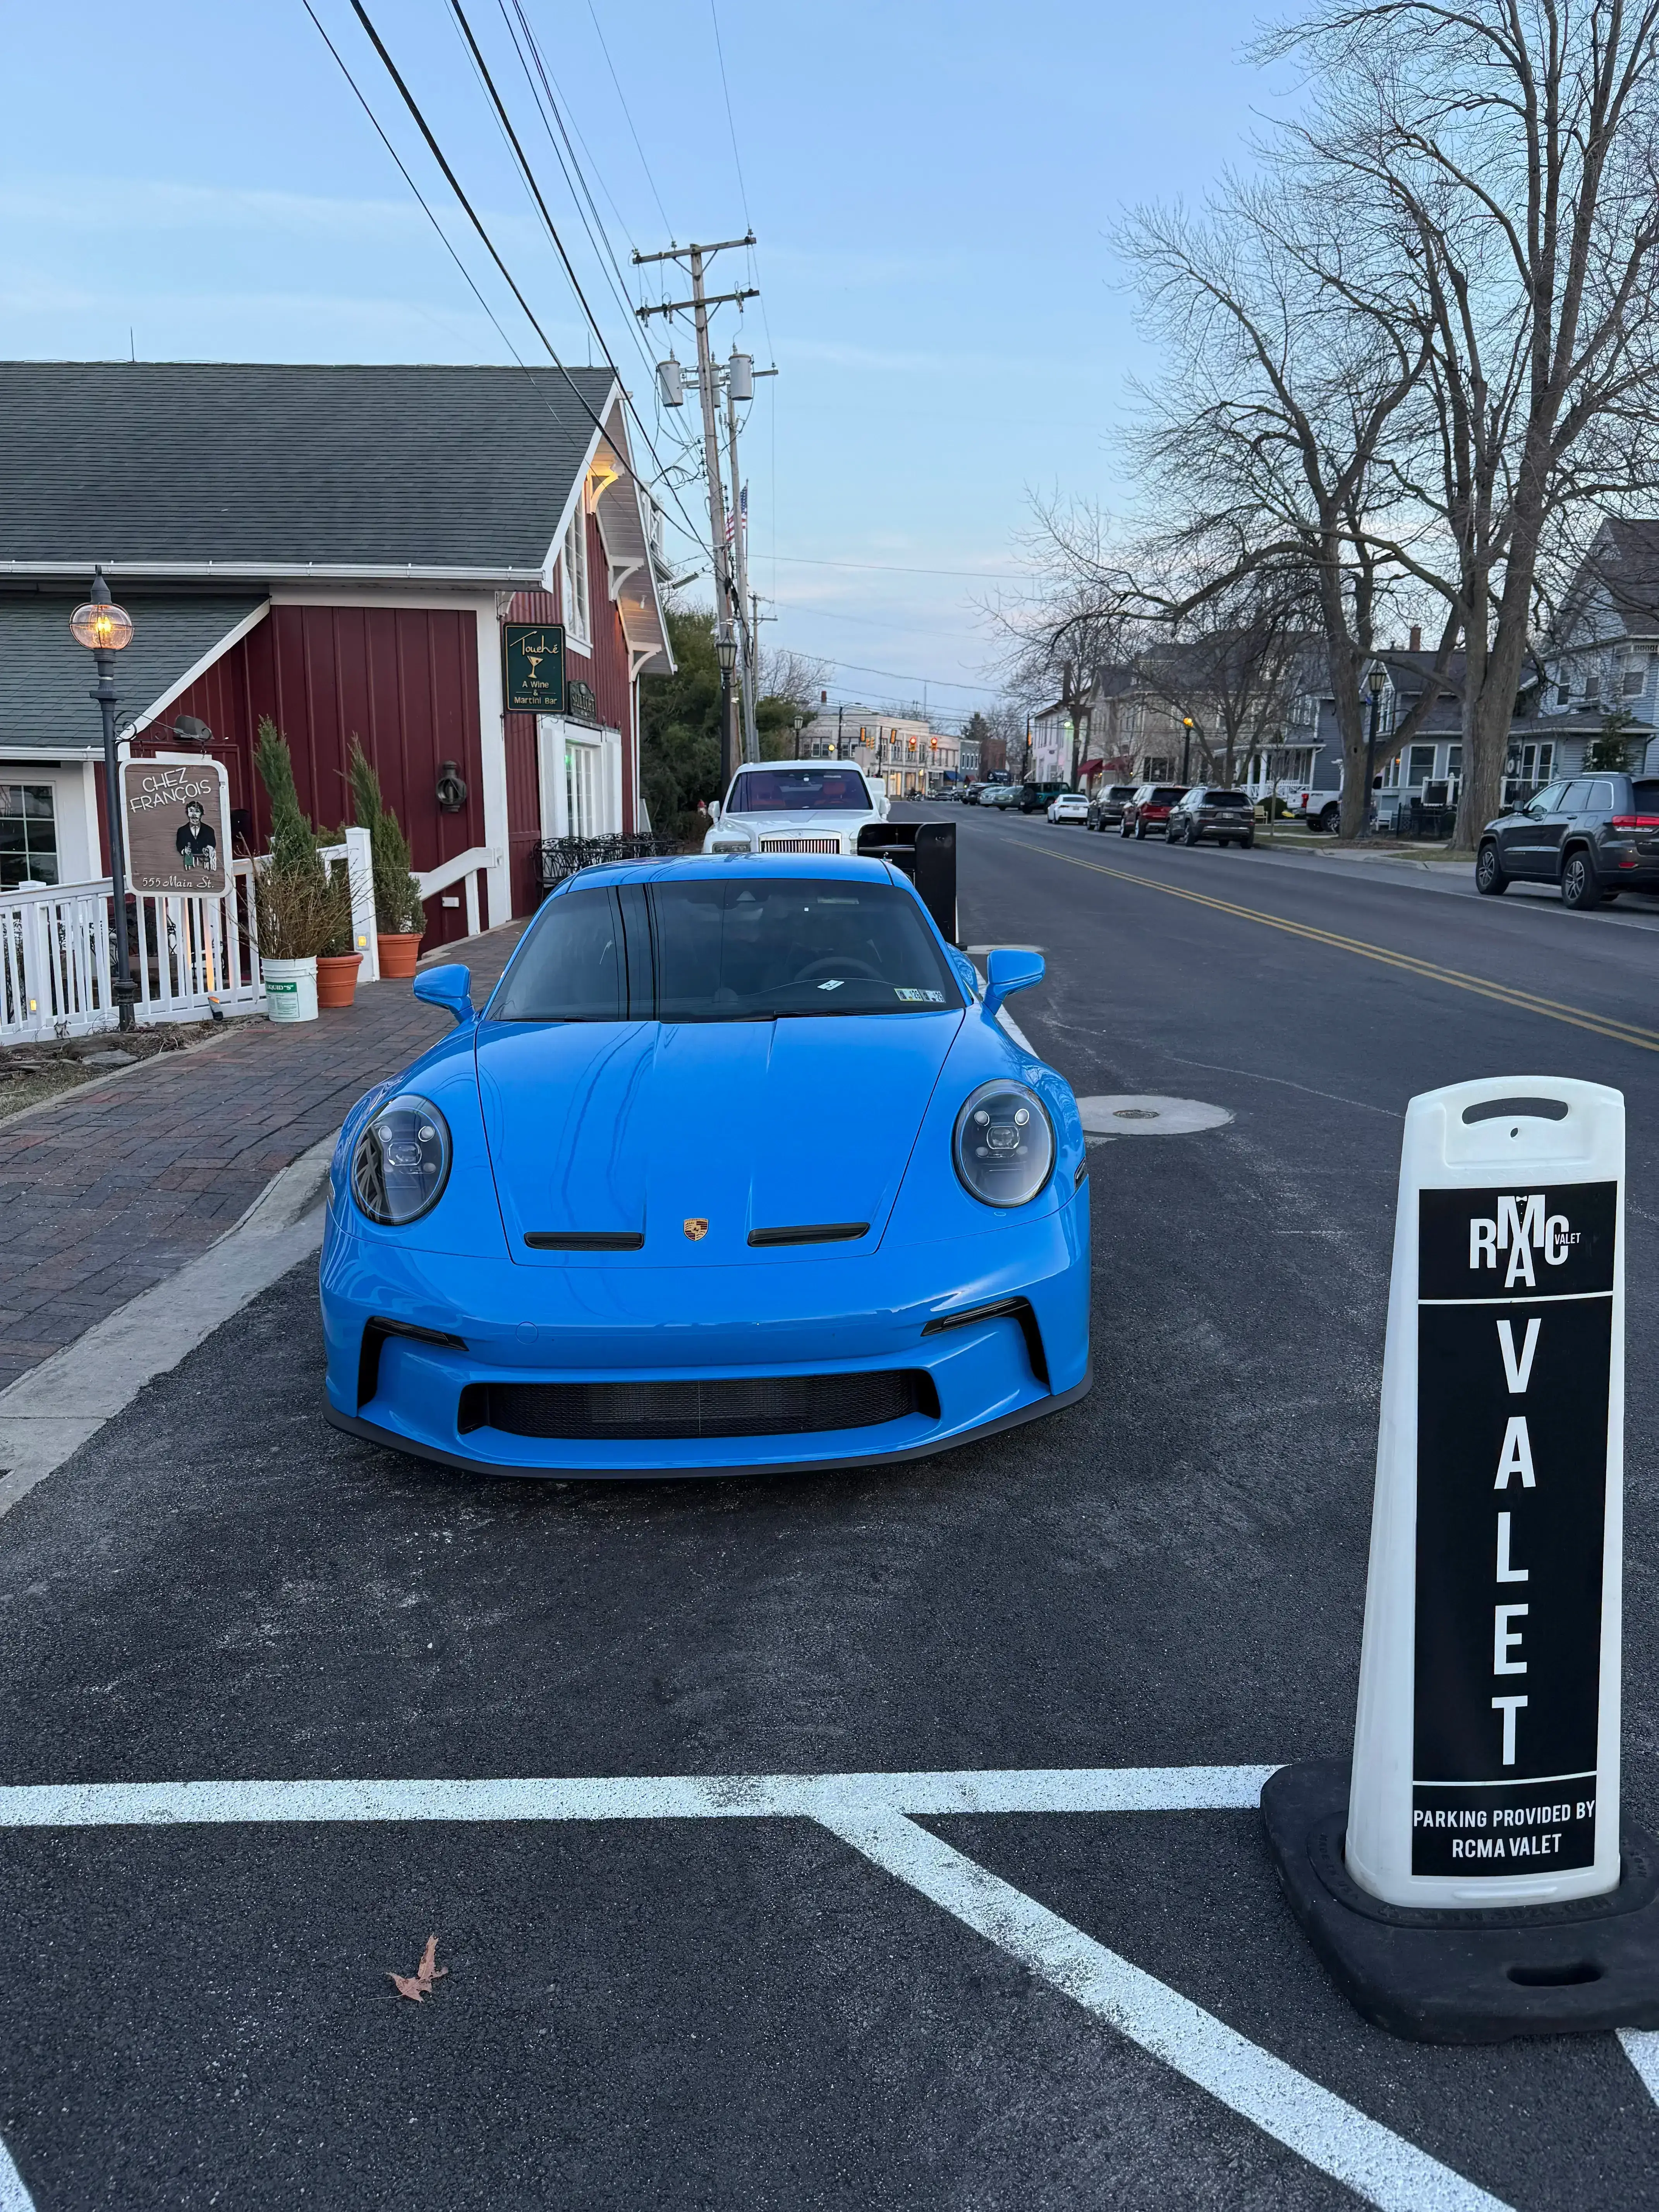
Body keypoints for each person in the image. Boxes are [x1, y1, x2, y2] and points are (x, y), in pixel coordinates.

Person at [175, 799, 217, 871]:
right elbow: (179, 846)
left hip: (205, 866)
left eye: (197, 811)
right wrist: (184, 851)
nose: (194, 814)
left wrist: (208, 850)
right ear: (188, 813)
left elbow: (213, 844)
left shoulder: (209, 830)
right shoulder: (182, 831)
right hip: (188, 866)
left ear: (201, 813)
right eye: (191, 811)